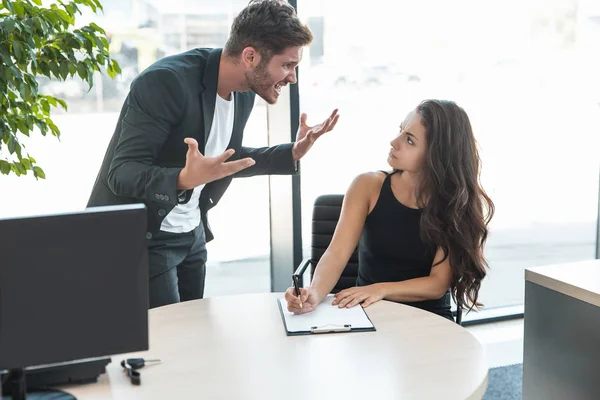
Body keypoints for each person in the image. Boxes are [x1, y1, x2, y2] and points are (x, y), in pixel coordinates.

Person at [87, 0, 340, 309]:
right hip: (146, 236)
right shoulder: (167, 82)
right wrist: (182, 179)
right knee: (168, 343)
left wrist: (292, 153)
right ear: (250, 56)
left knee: (192, 338)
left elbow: (225, 160)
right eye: (287, 65)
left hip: (190, 233)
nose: (292, 78)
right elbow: (121, 172)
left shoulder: (244, 93)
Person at [285, 99, 494, 321]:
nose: (394, 142)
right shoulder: (367, 186)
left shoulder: (455, 203)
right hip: (368, 314)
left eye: (410, 140)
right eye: (401, 130)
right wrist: (314, 294)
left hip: (428, 319)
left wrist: (380, 289)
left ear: (436, 156)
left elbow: (437, 284)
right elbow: (336, 254)